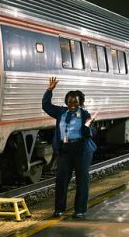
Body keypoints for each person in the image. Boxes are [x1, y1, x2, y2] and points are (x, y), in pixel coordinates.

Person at [42, 77, 97, 220]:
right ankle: (59, 209)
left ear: (80, 103)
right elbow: (46, 106)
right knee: (61, 180)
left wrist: (88, 130)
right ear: (66, 102)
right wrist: (49, 90)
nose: (72, 104)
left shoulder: (85, 114)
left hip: (81, 151)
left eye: (76, 102)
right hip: (65, 149)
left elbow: (93, 130)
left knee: (82, 180)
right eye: (70, 101)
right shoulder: (60, 112)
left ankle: (79, 210)